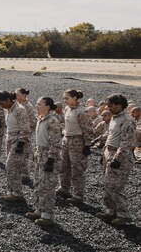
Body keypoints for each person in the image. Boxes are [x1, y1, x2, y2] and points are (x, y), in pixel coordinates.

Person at [96, 94, 137, 226]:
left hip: (120, 157)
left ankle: (123, 214)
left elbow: (126, 143)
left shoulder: (127, 121)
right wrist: (101, 145)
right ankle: (112, 211)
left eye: (111, 105)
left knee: (115, 186)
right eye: (107, 105)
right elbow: (110, 135)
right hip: (110, 152)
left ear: (119, 105)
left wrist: (117, 159)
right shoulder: (115, 118)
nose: (108, 108)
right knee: (108, 185)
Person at [26, 97, 62, 226]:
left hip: (48, 156)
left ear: (47, 107)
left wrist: (51, 159)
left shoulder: (52, 121)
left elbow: (56, 142)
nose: (37, 106)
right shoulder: (41, 119)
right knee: (38, 183)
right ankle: (39, 209)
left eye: (39, 104)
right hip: (40, 154)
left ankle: (47, 215)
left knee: (47, 186)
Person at [57, 89, 95, 204]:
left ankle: (78, 195)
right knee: (64, 167)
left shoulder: (82, 112)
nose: (65, 101)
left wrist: (87, 145)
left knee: (77, 169)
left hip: (77, 143)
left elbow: (88, 130)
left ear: (74, 98)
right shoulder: (68, 109)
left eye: (67, 98)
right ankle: (64, 188)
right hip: (66, 141)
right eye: (64, 99)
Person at [0, 91, 32, 202]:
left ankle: (17, 193)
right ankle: (11, 191)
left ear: (8, 100)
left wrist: (21, 143)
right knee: (10, 167)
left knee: (11, 166)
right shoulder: (9, 110)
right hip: (11, 141)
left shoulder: (19, 110)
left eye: (2, 103)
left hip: (18, 142)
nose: (0, 105)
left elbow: (25, 128)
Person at [15, 88, 37, 181]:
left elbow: (32, 122)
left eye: (18, 95)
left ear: (24, 95)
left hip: (24, 134)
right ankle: (21, 173)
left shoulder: (28, 106)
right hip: (18, 133)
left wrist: (26, 134)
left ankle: (25, 175)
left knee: (24, 155)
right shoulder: (18, 105)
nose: (16, 97)